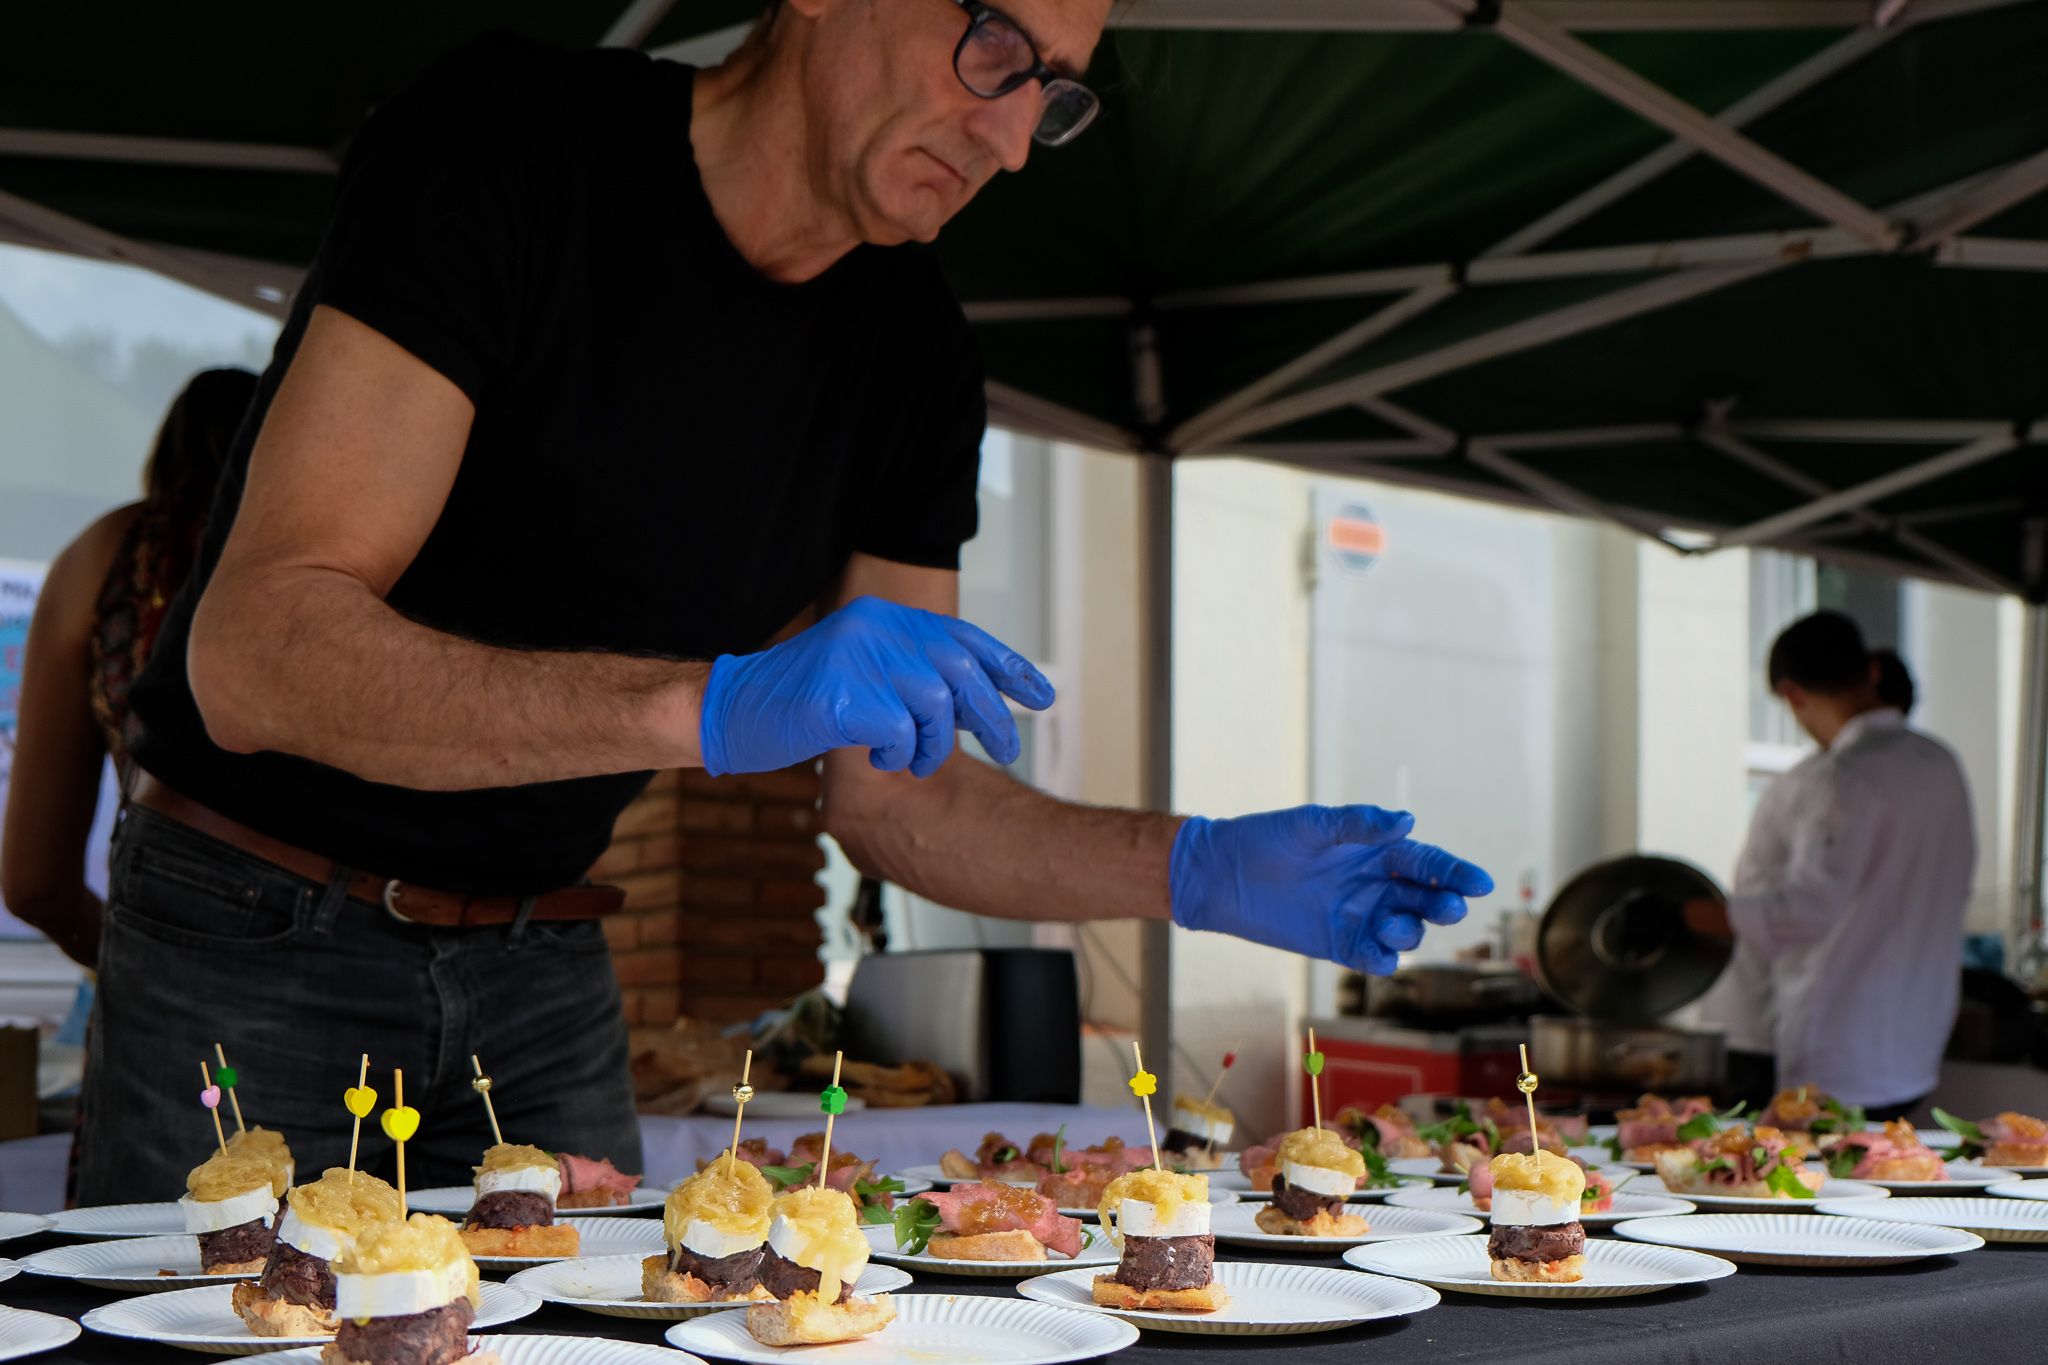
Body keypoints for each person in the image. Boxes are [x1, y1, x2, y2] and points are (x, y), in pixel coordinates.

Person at [82, 1, 1491, 1203]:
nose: (1010, 139)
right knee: (214, 1334)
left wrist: (1195, 865)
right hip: (252, 922)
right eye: (995, 47)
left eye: (1055, 96)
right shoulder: (512, 142)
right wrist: (712, 702)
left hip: (543, 957)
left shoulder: (915, 355)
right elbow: (257, 653)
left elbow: (899, 805)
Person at [1, 368, 256, 967]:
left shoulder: (105, 558)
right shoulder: (332, 572)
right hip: (350, 980)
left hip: (163, 949)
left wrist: (130, 973)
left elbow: (35, 883)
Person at [1692, 614, 1972, 1120]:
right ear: (1870, 671)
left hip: (1839, 1041)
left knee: (1798, 1183)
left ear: (1792, 693)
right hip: (1914, 1038)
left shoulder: (1840, 776)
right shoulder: (1940, 763)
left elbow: (1808, 909)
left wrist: (1691, 916)